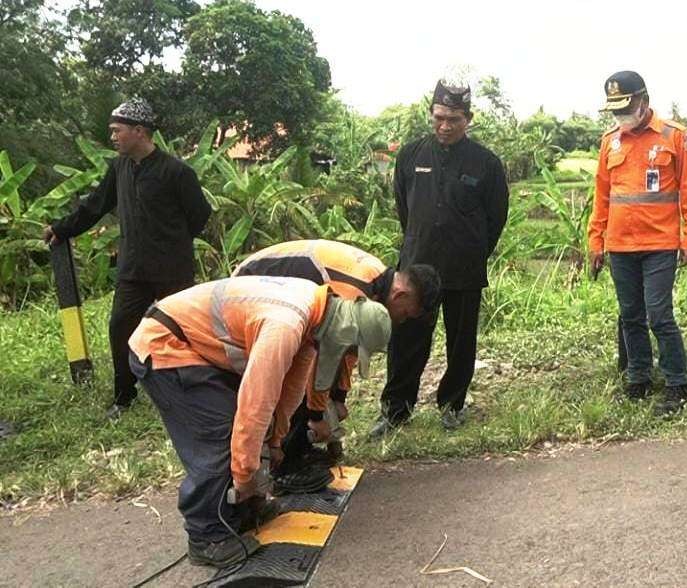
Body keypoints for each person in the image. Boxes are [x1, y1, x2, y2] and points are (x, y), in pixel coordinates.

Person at [128, 275, 391, 566]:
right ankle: (207, 536)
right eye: (350, 350)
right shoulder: (286, 326)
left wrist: (276, 442)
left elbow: (288, 392)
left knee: (242, 436)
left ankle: (238, 514)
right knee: (222, 434)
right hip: (166, 344)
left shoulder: (314, 314)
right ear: (345, 334)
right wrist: (245, 478)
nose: (347, 356)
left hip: (197, 348)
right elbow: (255, 407)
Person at [43, 98, 211, 420]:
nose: (112, 136)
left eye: (117, 130)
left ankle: (196, 392)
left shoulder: (177, 172)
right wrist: (62, 229)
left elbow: (199, 216)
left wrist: (169, 242)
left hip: (173, 271)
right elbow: (94, 206)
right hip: (133, 271)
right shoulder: (119, 168)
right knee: (120, 328)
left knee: (185, 332)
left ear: (139, 131)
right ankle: (124, 396)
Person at [232, 239, 440, 482]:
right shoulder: (356, 288)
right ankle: (286, 462)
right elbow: (324, 357)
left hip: (285, 298)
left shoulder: (377, 282)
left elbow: (350, 348)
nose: (401, 321)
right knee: (295, 376)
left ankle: (297, 448)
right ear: (400, 294)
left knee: (312, 381)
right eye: (405, 314)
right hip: (251, 287)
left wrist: (339, 397)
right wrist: (317, 416)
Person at [369, 79, 509, 436]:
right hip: (417, 268)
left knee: (461, 342)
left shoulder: (486, 163)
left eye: (454, 119)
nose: (445, 126)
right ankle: (396, 410)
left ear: (469, 119)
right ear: (431, 113)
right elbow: (405, 208)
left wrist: (475, 250)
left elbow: (496, 217)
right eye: (440, 117)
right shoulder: (411, 156)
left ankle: (452, 405)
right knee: (407, 341)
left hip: (464, 269)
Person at [588, 71, 687, 415]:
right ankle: (638, 376)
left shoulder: (673, 136)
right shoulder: (610, 141)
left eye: (625, 107)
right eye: (614, 110)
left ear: (643, 100)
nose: (620, 116)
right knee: (630, 315)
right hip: (620, 245)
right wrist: (596, 242)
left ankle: (676, 382)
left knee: (658, 314)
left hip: (660, 244)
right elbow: (602, 196)